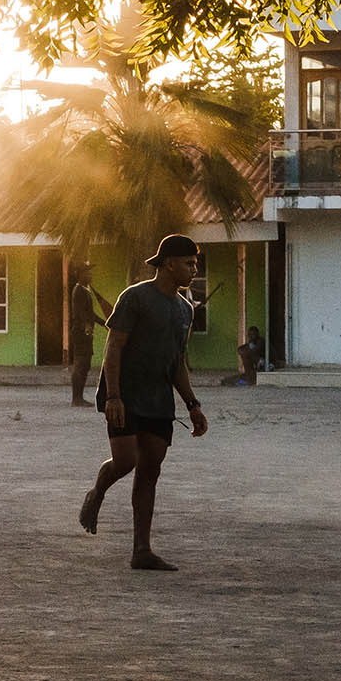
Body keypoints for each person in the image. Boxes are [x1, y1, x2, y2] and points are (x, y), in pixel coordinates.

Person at [79, 233, 209, 572]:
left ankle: (142, 550)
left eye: (195, 263)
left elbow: (178, 362)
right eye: (188, 263)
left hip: (158, 399)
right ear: (168, 264)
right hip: (124, 393)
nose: (193, 269)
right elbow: (114, 346)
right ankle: (97, 492)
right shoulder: (135, 298)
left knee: (150, 469)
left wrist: (193, 405)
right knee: (125, 461)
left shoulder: (185, 309)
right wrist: (114, 395)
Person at [68, 261, 110, 406]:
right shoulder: (79, 290)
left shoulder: (85, 290)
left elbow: (90, 313)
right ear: (81, 275)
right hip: (81, 332)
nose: (90, 275)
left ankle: (79, 398)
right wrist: (86, 326)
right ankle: (76, 399)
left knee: (85, 365)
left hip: (85, 331)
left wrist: (104, 323)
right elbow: (80, 312)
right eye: (87, 272)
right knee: (80, 364)